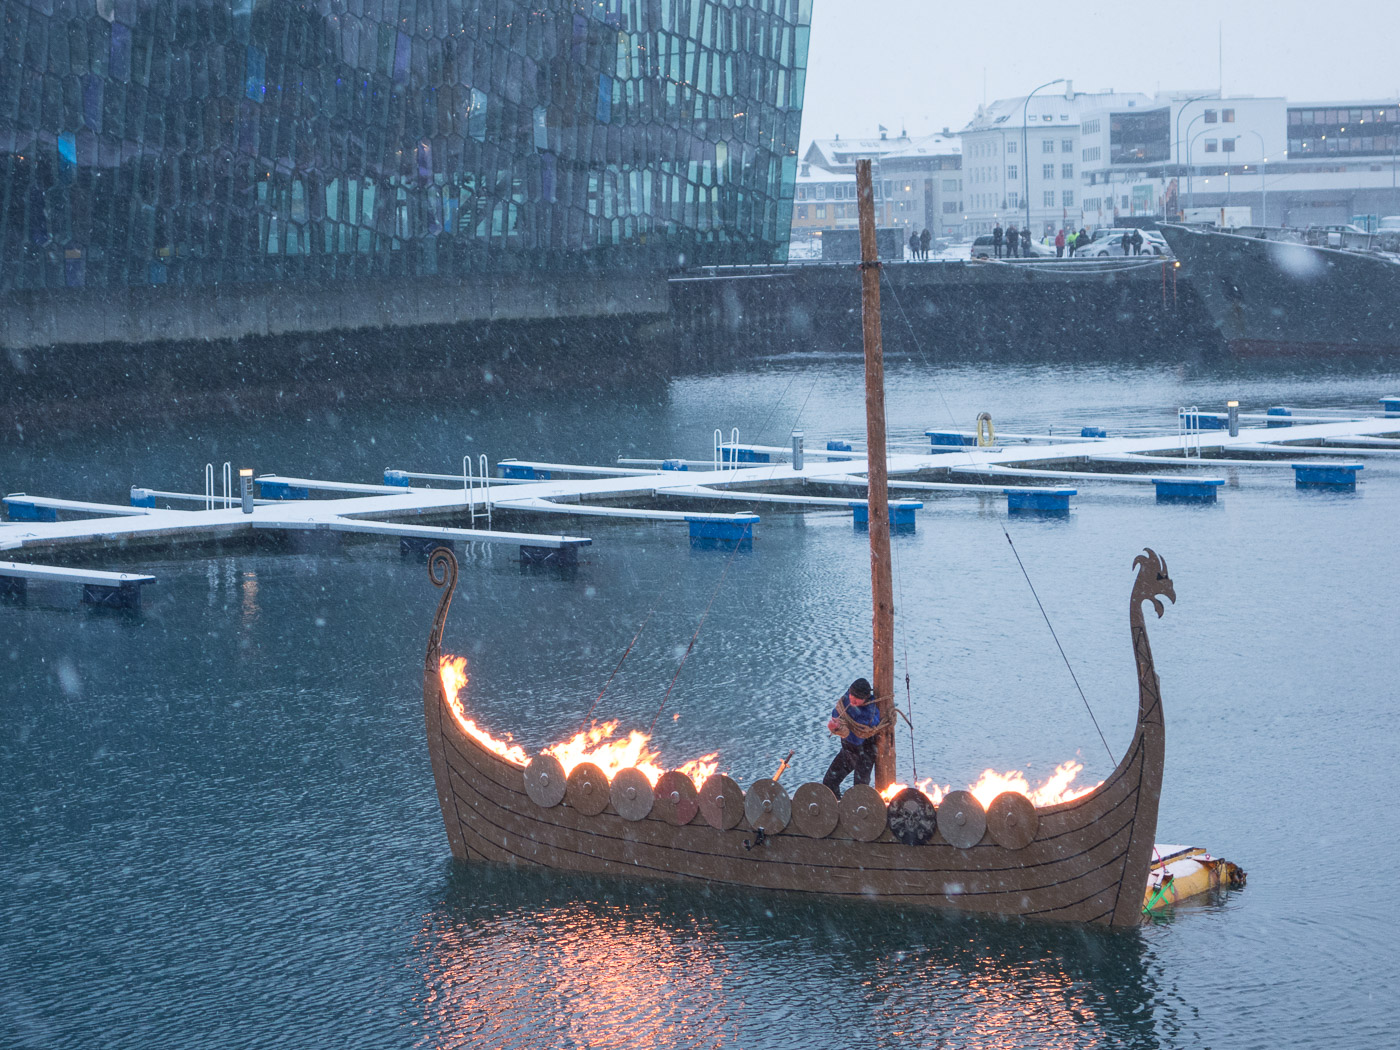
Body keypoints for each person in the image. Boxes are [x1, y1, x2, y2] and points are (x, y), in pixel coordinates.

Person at [822, 677, 882, 798]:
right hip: (847, 751)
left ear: (865, 699)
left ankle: (861, 813)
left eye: (858, 699)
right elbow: (836, 711)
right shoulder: (846, 699)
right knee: (829, 783)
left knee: (859, 791)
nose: (853, 701)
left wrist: (841, 729)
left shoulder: (870, 712)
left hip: (864, 755)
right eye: (852, 696)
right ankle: (837, 810)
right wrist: (837, 725)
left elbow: (858, 737)